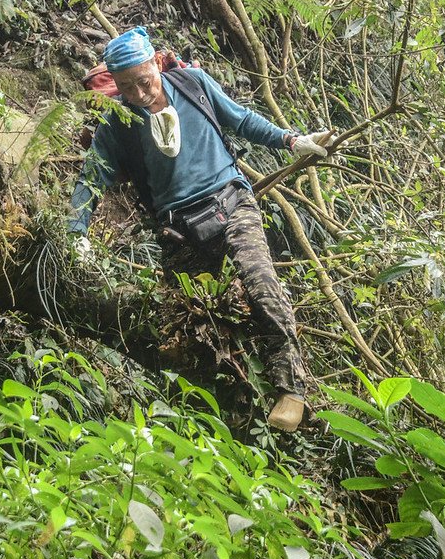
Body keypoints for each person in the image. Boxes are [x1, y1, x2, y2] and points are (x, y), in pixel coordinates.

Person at [69, 26, 337, 432]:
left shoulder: (193, 84)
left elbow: (241, 120)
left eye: (143, 82)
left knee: (261, 285)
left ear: (156, 63)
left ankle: (292, 391)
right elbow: (92, 178)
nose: (139, 94)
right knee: (193, 325)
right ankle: (228, 415)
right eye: (126, 88)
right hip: (178, 229)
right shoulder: (118, 122)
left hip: (230, 201)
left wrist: (292, 140)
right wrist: (77, 232)